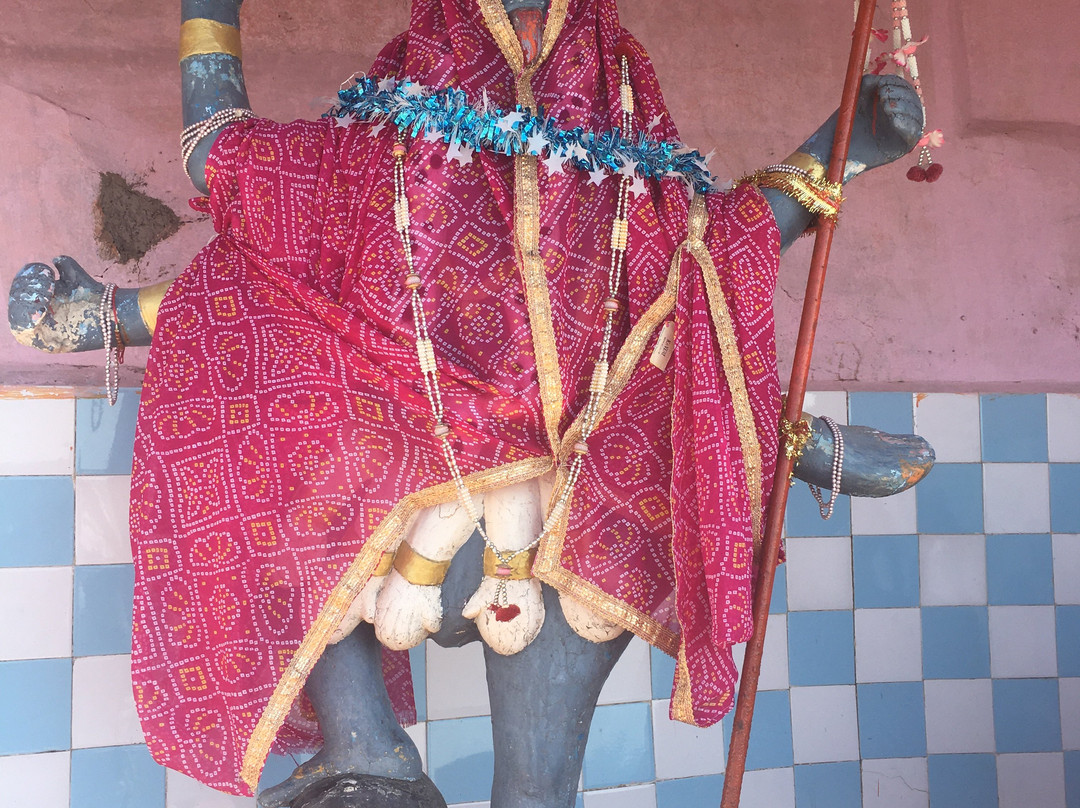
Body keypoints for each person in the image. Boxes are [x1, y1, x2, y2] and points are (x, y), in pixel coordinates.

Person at [7, 1, 931, 805]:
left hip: (565, 533)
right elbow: (253, 228)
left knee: (536, 792)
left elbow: (710, 259)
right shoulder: (373, 157)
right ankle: (362, 752)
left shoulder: (626, 184)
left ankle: (363, 752)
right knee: (283, 385)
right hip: (396, 511)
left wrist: (843, 146)